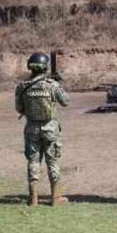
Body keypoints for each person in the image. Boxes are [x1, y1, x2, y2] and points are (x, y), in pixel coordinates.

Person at [15, 53, 69, 207]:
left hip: (31, 127)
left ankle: (33, 198)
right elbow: (65, 101)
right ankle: (56, 197)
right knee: (53, 161)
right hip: (50, 128)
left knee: (33, 161)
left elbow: (19, 108)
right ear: (45, 67)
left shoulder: (22, 86)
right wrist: (58, 84)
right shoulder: (52, 85)